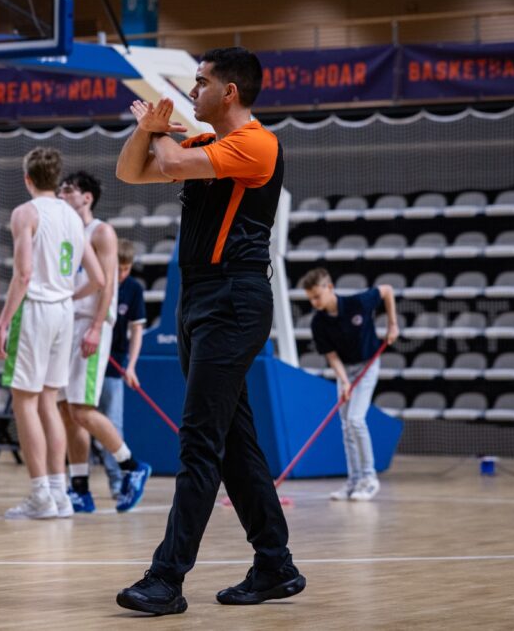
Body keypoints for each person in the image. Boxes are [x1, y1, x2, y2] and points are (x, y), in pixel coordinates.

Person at [113, 47, 304, 614]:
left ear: (230, 92)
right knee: (233, 443)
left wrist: (157, 132)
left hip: (234, 299)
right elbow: (131, 171)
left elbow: (170, 164)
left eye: (200, 82)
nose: (192, 91)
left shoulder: (257, 143)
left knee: (198, 441)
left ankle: (166, 578)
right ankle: (275, 564)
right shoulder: (202, 142)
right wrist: (146, 132)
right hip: (199, 298)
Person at [0, 147, 103, 520]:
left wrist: (2, 322)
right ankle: (59, 493)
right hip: (63, 312)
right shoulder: (72, 216)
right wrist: (66, 295)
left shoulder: (26, 213)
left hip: (35, 308)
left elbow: (23, 275)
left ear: (27, 178)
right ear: (56, 179)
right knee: (49, 402)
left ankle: (40, 494)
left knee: (24, 402)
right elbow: (98, 278)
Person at [56, 173, 150, 514]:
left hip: (90, 323)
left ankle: (131, 466)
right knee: (67, 410)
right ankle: (80, 487)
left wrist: (96, 327)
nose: (62, 194)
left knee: (82, 409)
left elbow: (108, 285)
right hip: (66, 322)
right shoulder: (64, 230)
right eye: (60, 189)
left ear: (87, 198)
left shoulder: (101, 232)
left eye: (69, 190)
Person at [302, 267, 398, 501]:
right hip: (346, 371)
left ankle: (369, 479)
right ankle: (353, 482)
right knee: (346, 425)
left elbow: (387, 290)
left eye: (317, 296)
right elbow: (331, 355)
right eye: (311, 299)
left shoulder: (358, 303)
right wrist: (344, 381)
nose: (314, 302)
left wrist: (392, 324)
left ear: (330, 288)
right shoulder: (318, 323)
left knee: (355, 419)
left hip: (368, 365)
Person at [96, 239, 147, 498]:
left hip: (114, 364)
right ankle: (74, 480)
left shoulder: (133, 289)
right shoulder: (97, 281)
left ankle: (117, 482)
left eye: (126, 269)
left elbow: (136, 330)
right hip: (90, 357)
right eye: (118, 268)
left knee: (113, 425)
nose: (122, 274)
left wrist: (132, 366)